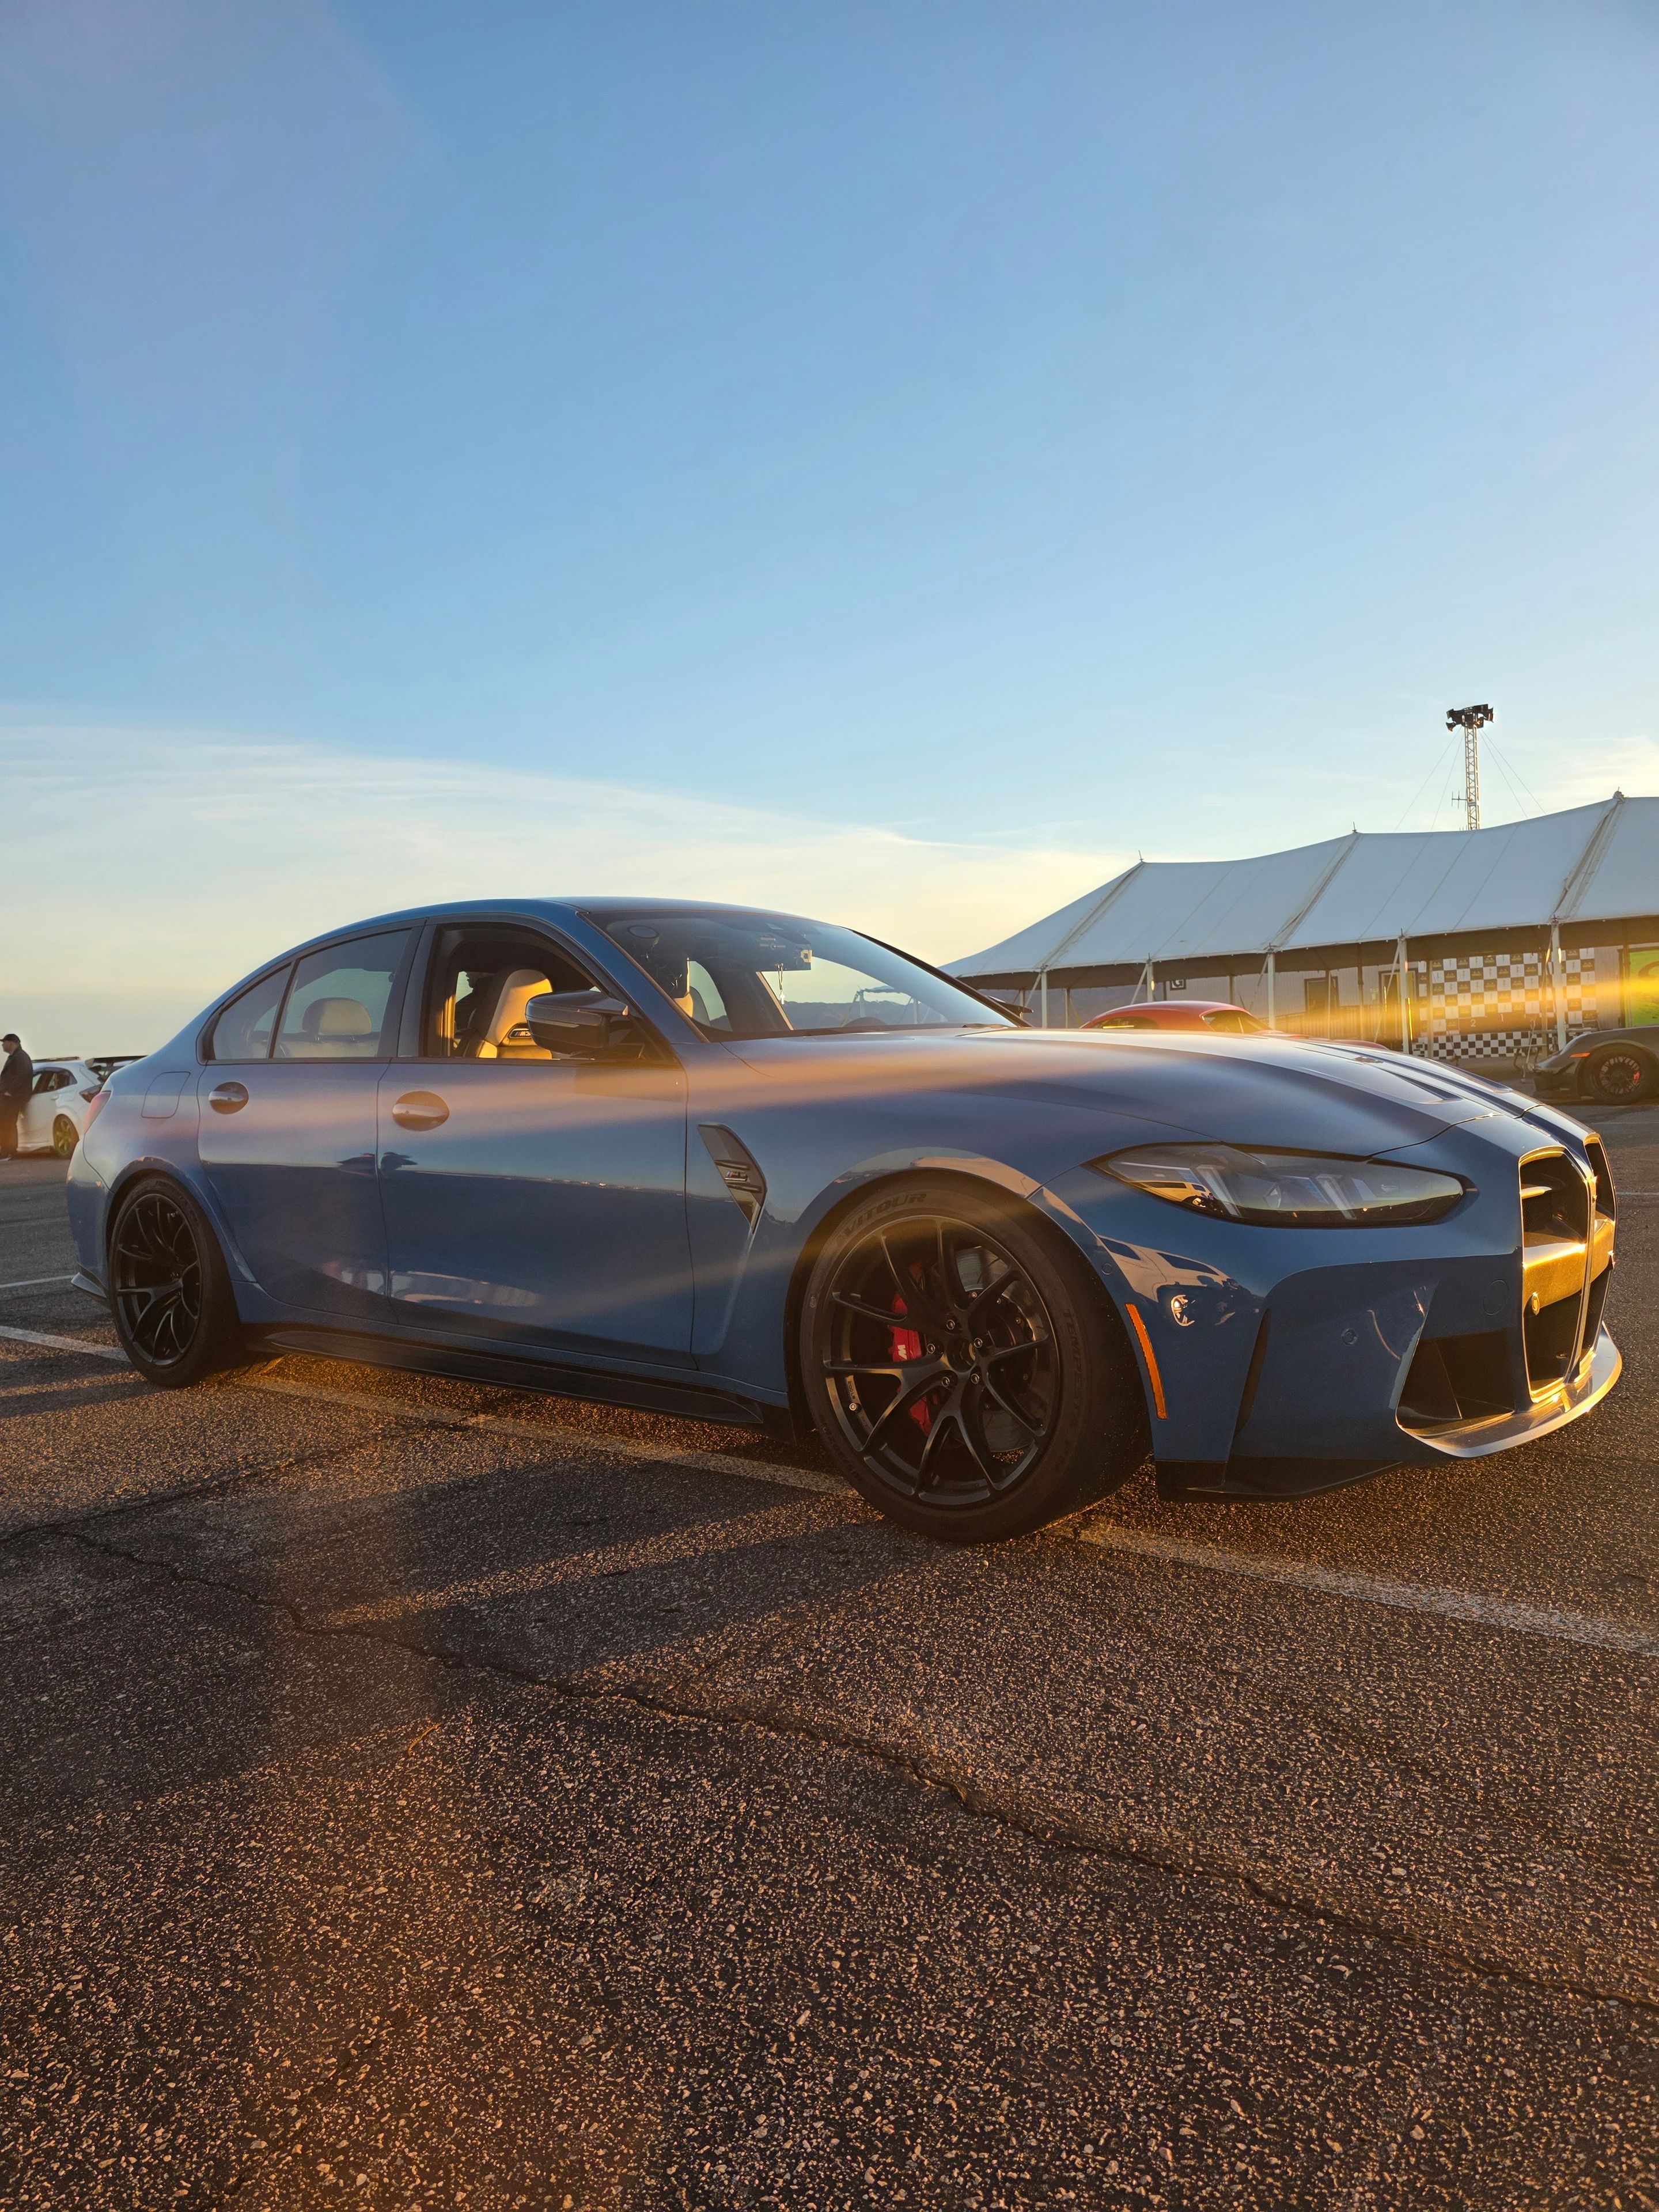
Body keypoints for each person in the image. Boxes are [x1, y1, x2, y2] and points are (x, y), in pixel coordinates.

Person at [0, 1033, 33, 1161]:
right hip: (8, 1097)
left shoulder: (21, 1057)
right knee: (5, 1123)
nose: (2, 1045)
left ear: (11, 1043)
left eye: (4, 1042)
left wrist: (10, 1091)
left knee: (8, 1123)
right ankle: (6, 1151)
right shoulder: (15, 1056)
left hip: (13, 1098)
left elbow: (23, 1075)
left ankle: (10, 1152)